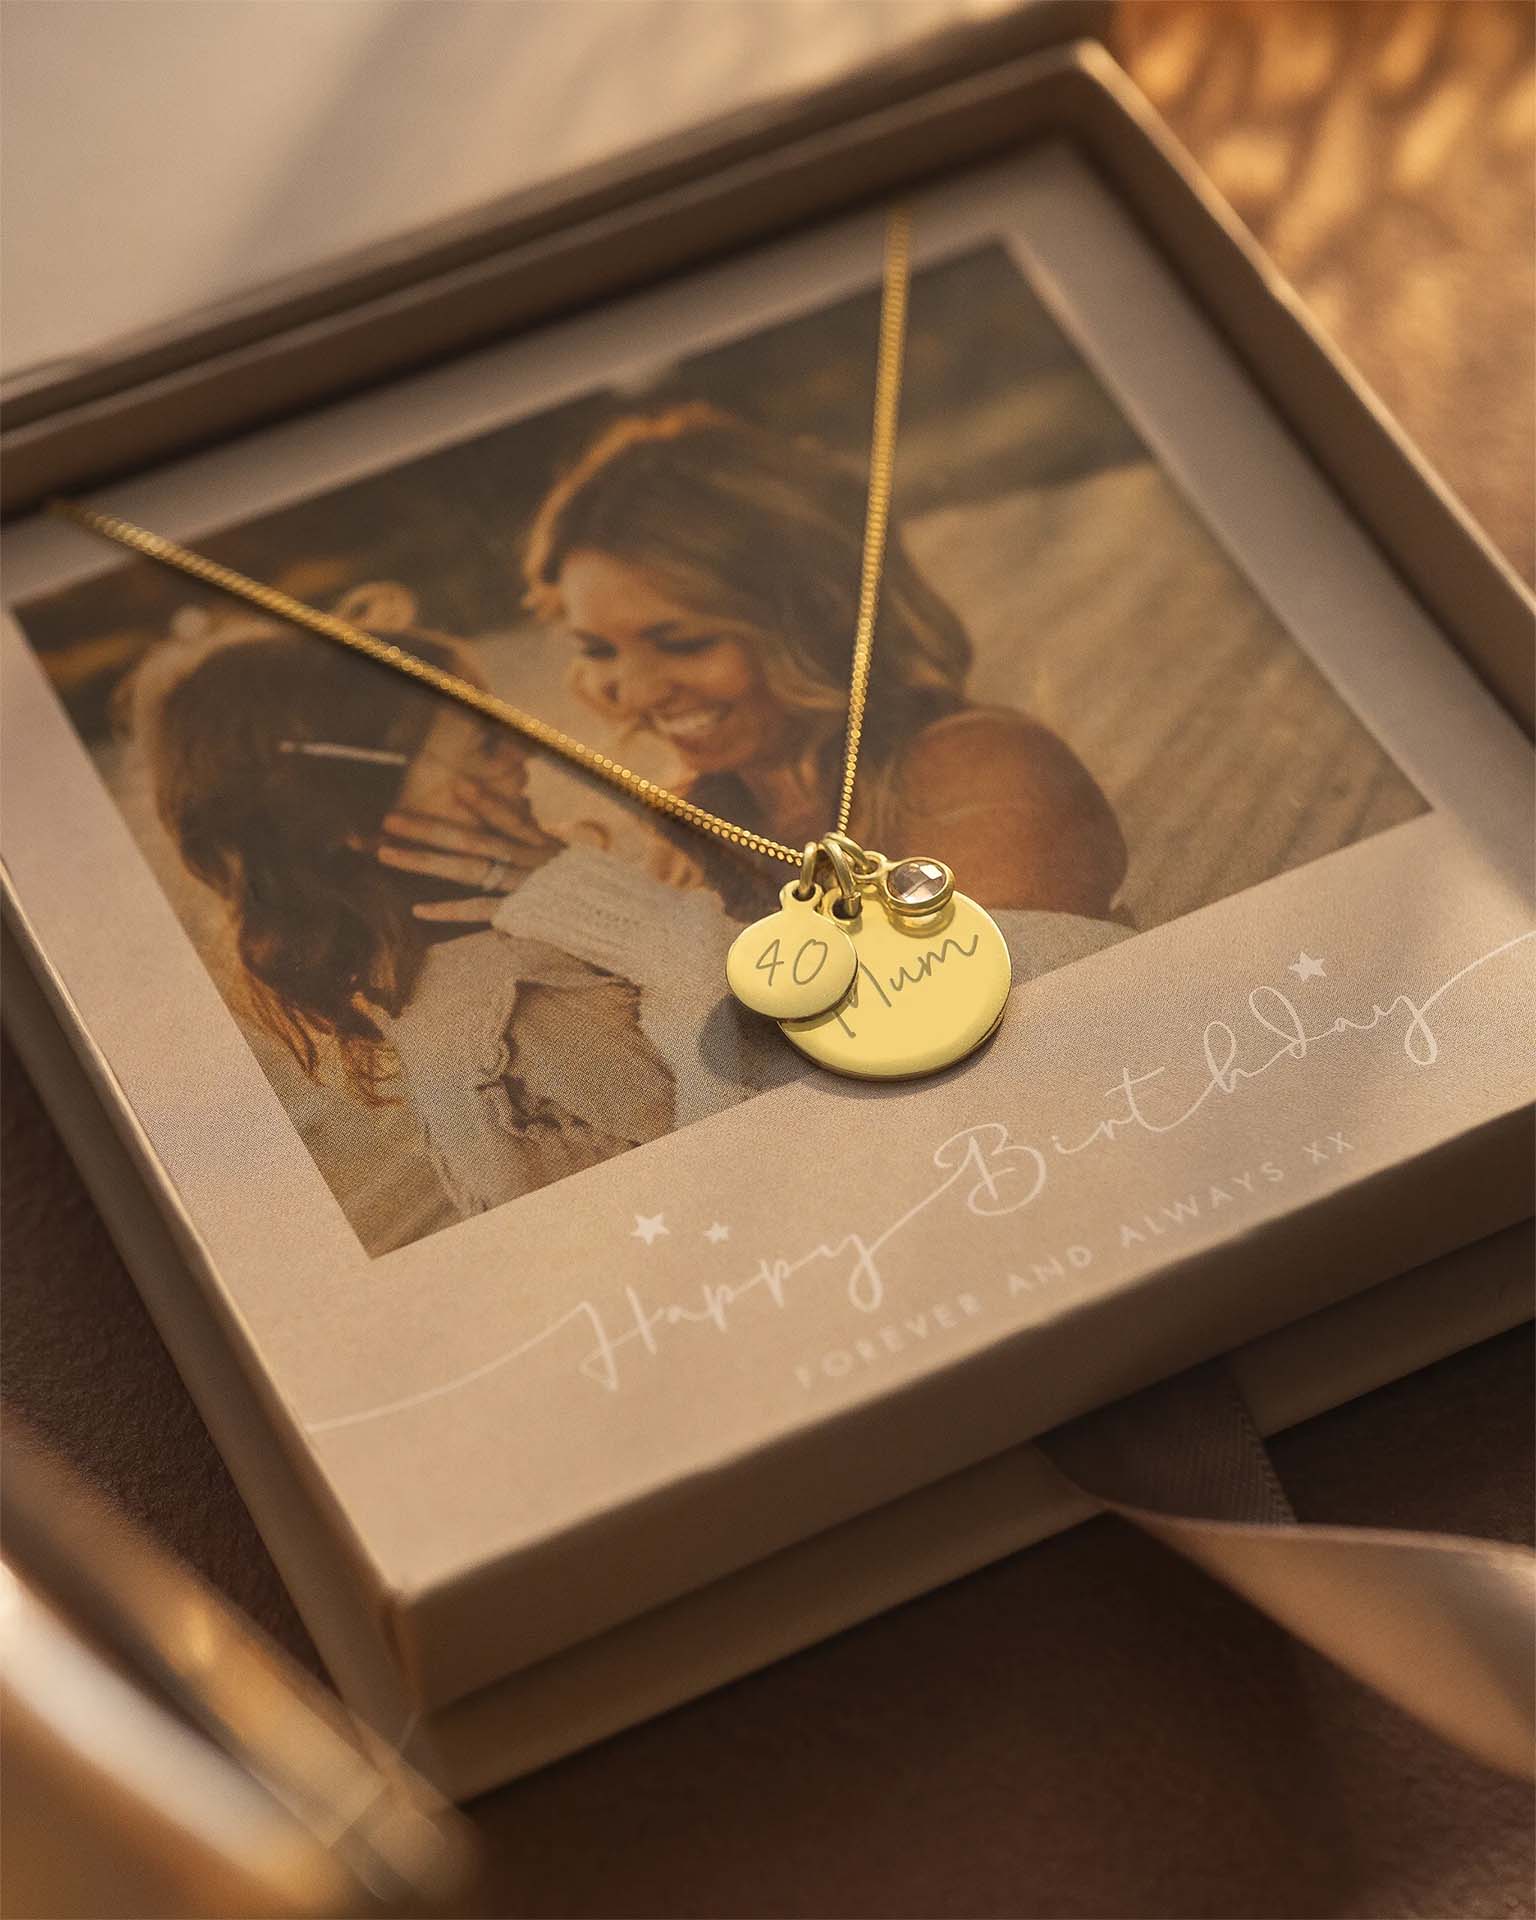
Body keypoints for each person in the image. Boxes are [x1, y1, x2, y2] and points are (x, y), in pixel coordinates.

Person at [378, 406, 1131, 1105]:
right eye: (597, 649)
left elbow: (969, 1072)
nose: (635, 691)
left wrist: (623, 918)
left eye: (684, 642)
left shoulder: (985, 767)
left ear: (815, 614)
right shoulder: (690, 827)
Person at [120, 595, 675, 1224]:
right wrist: (659, 930)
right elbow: (746, 1147)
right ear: (356, 819)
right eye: (485, 746)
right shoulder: (524, 998)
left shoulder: (416, 979)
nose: (525, 751)